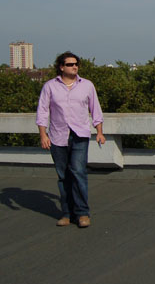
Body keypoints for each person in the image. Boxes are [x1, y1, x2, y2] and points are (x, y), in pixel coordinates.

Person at [36, 52, 105, 228]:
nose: (74, 67)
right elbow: (43, 111)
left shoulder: (87, 86)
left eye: (76, 64)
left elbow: (95, 109)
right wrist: (43, 135)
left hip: (79, 135)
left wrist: (99, 131)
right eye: (70, 64)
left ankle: (82, 213)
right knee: (63, 176)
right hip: (58, 136)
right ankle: (67, 213)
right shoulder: (50, 86)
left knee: (79, 172)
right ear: (61, 67)